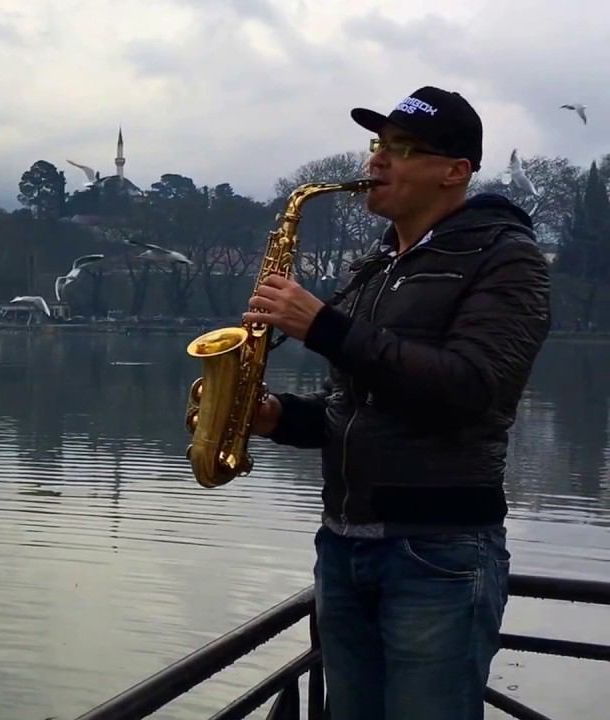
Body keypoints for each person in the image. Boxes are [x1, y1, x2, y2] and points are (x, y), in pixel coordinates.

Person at [244, 86, 551, 719]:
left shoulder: (506, 257)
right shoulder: (377, 265)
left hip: (436, 551)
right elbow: (353, 407)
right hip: (344, 546)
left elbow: (471, 389)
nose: (377, 162)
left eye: (403, 149)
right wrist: (276, 417)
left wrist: (326, 326)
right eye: (378, 145)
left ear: (455, 172)